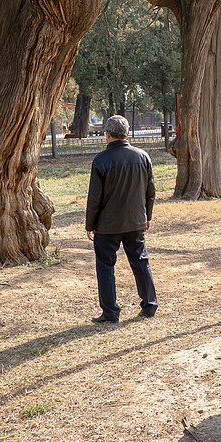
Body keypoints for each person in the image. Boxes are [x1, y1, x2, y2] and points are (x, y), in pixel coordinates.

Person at [85, 115, 158, 323]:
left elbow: (94, 198)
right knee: (141, 261)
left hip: (107, 225)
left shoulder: (101, 160)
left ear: (106, 135)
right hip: (136, 221)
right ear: (127, 133)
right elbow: (150, 191)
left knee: (105, 266)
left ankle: (110, 311)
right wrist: (147, 216)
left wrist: (90, 224)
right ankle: (150, 304)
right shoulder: (143, 156)